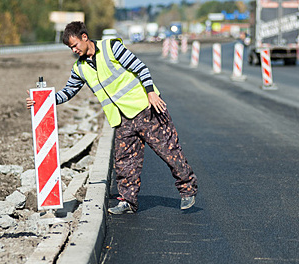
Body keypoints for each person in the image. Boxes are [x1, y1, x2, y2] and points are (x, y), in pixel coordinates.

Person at [26, 21, 198, 214]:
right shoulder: (80, 68)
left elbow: (141, 68)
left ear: (85, 37)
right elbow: (68, 92)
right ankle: (128, 201)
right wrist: (43, 100)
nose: (74, 50)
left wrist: (151, 92)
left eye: (75, 45)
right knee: (124, 161)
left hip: (146, 109)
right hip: (122, 118)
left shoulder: (112, 48)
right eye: (70, 48)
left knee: (168, 151)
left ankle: (187, 189)